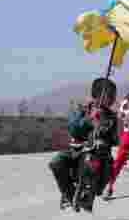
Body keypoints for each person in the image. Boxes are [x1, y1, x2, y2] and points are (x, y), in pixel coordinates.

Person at [49, 77, 120, 209]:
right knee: (56, 163)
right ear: (97, 95)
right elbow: (73, 128)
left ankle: (92, 192)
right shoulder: (83, 110)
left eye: (113, 96)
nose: (112, 99)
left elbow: (115, 139)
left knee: (98, 165)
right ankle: (69, 195)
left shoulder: (111, 116)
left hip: (99, 154)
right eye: (109, 95)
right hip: (76, 150)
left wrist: (103, 128)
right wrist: (88, 120)